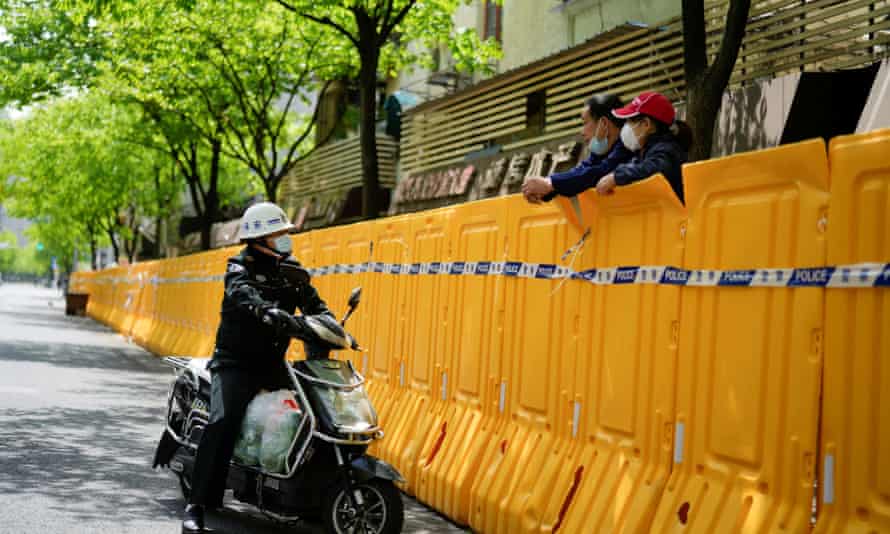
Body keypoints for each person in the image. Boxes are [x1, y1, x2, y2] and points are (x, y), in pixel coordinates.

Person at [182, 201, 333, 533]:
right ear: (260, 238)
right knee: (223, 422)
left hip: (273, 365)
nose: (285, 238)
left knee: (316, 413)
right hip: (234, 364)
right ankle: (197, 504)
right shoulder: (238, 267)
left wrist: (331, 325)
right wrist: (267, 311)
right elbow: (242, 294)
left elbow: (315, 305)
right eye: (278, 233)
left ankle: (312, 496)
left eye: (285, 232)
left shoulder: (292, 271)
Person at [522, 93, 633, 203]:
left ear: (603, 123)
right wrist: (545, 187)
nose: (582, 132)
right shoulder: (602, 149)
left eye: (585, 123)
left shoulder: (630, 146)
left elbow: (597, 173)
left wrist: (550, 183)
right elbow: (582, 170)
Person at [593, 91, 692, 202]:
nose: (626, 127)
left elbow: (654, 169)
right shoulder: (648, 150)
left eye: (629, 121)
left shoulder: (667, 150)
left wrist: (616, 177)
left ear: (646, 124)